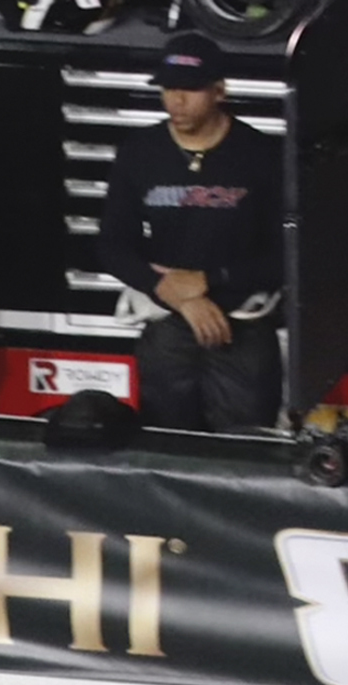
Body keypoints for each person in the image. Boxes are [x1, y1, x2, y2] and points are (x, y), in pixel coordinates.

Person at [96, 30, 283, 433]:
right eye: (168, 89)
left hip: (243, 325)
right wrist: (167, 290)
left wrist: (209, 280)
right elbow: (112, 245)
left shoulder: (263, 155)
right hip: (166, 326)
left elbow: (287, 254)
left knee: (245, 452)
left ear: (219, 90)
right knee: (167, 448)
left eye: (190, 89)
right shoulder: (139, 152)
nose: (176, 101)